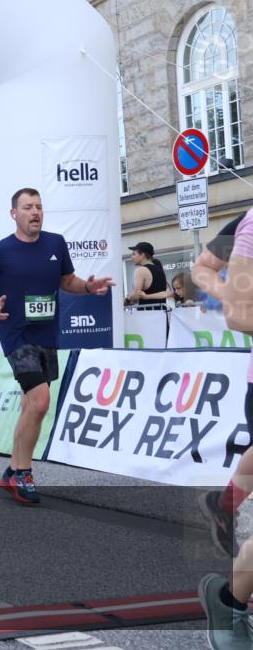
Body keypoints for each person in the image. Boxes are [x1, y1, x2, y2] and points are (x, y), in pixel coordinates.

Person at [0, 187, 113, 504]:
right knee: (41, 401)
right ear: (14, 214)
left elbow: (67, 281)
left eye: (39, 206)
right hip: (15, 334)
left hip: (46, 334)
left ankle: (10, 473)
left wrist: (88, 287)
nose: (35, 212)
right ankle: (23, 472)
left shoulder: (55, 244)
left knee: (30, 405)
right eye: (28, 207)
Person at [197, 208, 253, 649]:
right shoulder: (246, 225)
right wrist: (228, 290)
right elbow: (237, 313)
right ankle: (230, 603)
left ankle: (225, 501)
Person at [125, 242, 170, 307]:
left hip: (147, 313)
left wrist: (128, 299)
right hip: (162, 312)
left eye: (134, 254)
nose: (131, 257)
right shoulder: (159, 268)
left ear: (143, 255)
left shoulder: (141, 270)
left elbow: (136, 296)